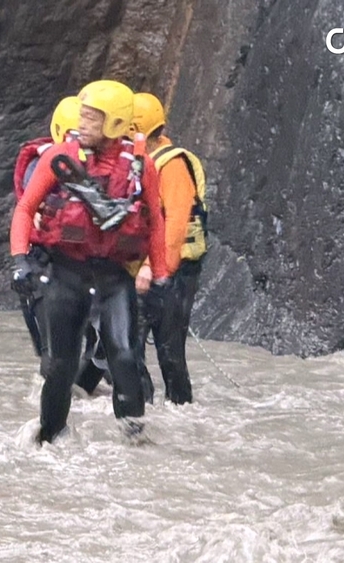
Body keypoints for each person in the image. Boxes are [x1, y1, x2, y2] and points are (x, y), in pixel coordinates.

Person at [10, 79, 169, 444]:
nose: (83, 124)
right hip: (67, 274)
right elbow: (25, 209)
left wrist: (159, 275)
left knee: (126, 358)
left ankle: (134, 440)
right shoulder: (58, 158)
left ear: (115, 123)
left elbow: (156, 222)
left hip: (114, 278)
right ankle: (50, 436)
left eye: (92, 118)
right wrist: (20, 259)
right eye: (82, 116)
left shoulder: (141, 166)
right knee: (61, 367)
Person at [130, 92, 208, 405]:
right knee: (126, 343)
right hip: (144, 268)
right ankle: (141, 406)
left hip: (174, 270)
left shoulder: (172, 164)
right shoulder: (138, 159)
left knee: (169, 350)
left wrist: (154, 268)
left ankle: (180, 407)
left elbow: (175, 225)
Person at [12, 96, 81, 366]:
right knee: (50, 351)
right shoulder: (42, 165)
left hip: (85, 263)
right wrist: (19, 261)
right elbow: (27, 209)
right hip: (43, 260)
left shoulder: (110, 167)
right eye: (74, 134)